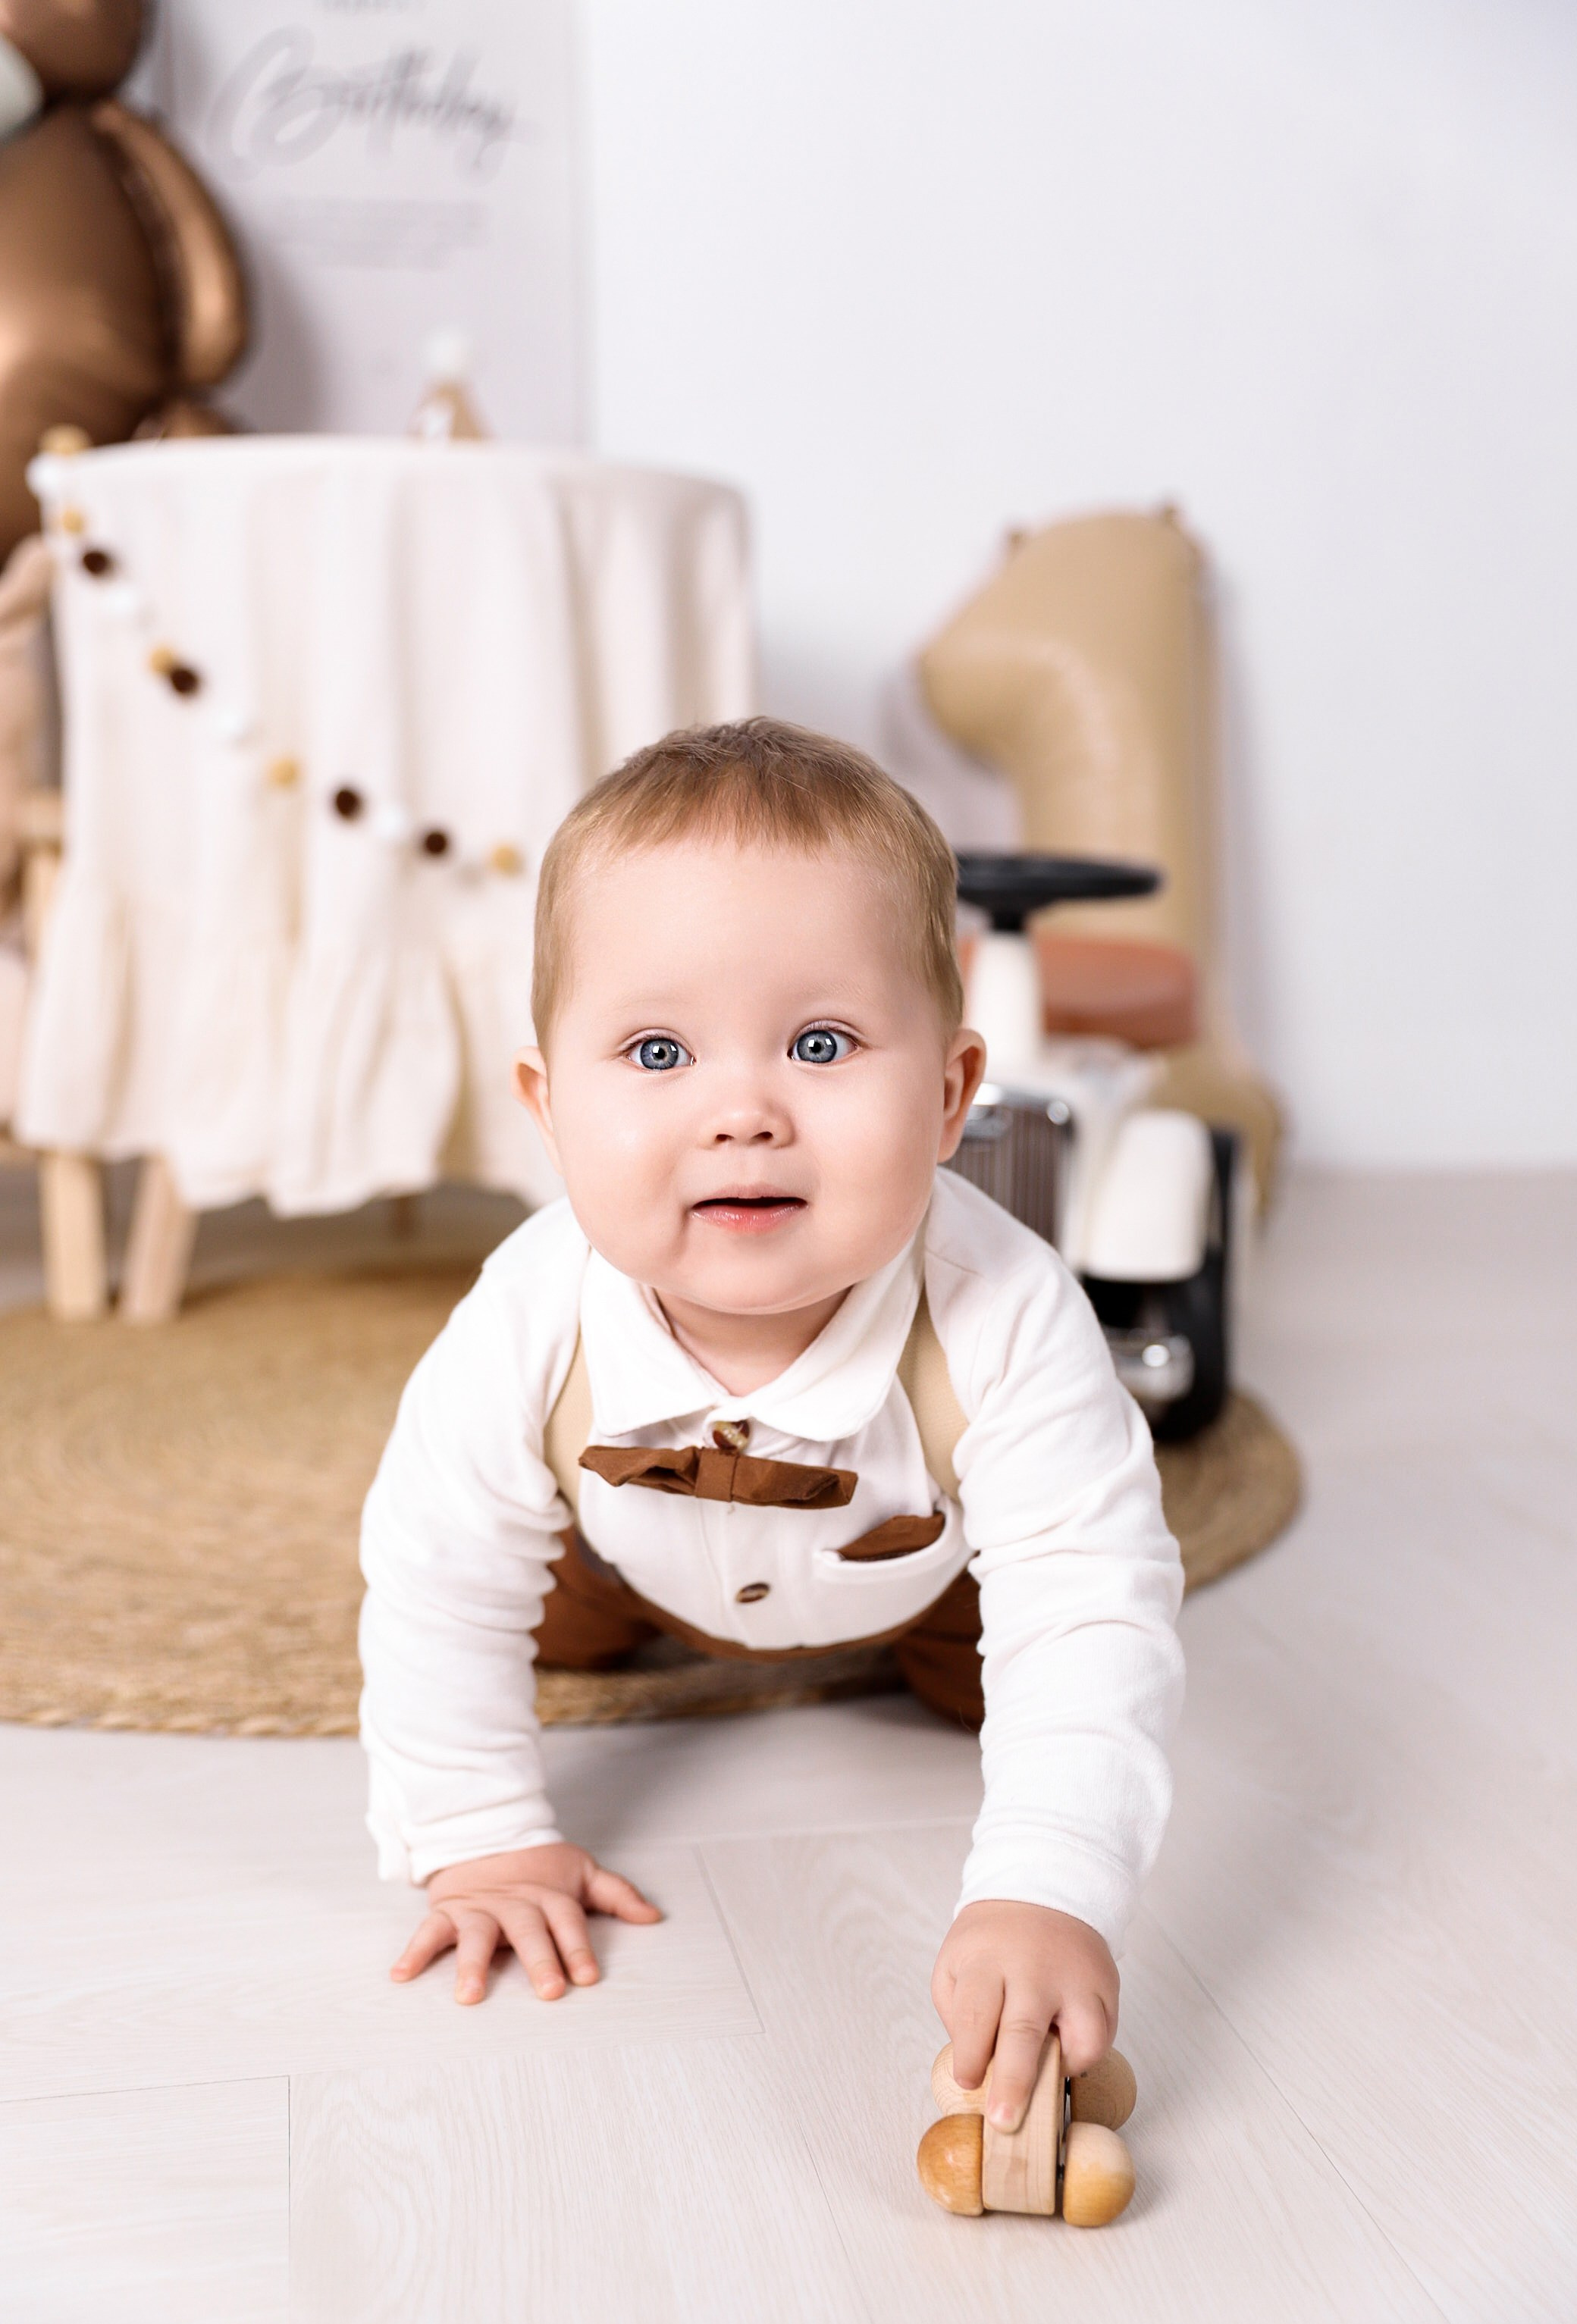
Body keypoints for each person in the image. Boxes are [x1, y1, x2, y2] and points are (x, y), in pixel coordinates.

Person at [359, 716, 1184, 2135]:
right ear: (550, 1112)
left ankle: (934, 1665)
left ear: (947, 1096)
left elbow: (1087, 1602)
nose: (743, 1111)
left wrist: (1044, 1886)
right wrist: (483, 1839)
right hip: (618, 1556)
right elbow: (435, 1573)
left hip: (921, 1572)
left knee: (1018, 1686)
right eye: (658, 1048)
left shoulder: (1007, 1309)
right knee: (517, 1613)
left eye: (819, 1042)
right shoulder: (529, 1309)